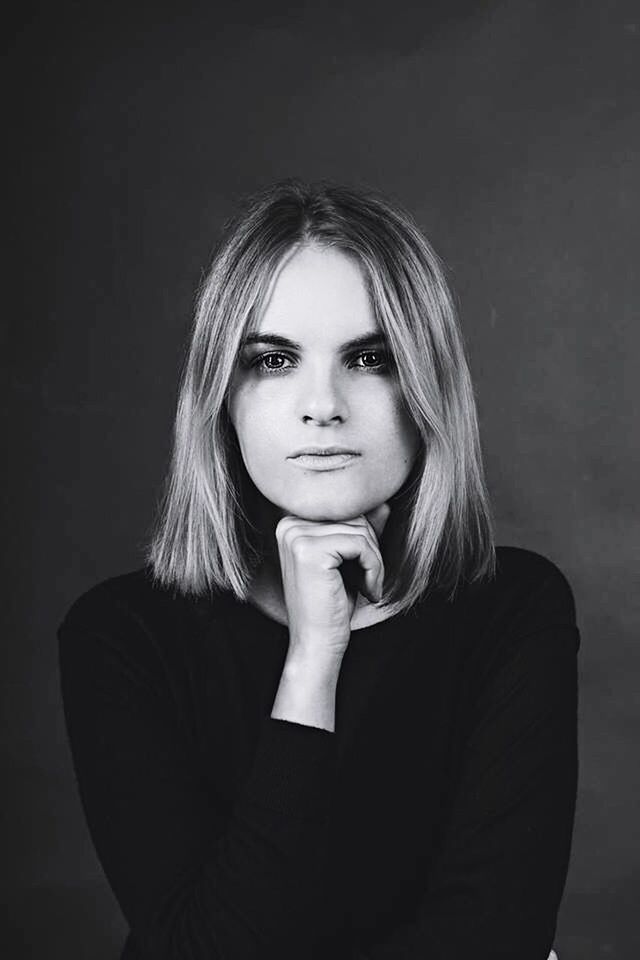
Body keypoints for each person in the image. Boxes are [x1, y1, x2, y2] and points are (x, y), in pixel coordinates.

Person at [58, 179, 579, 960]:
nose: (322, 405)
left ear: (428, 384)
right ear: (219, 400)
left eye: (370, 358)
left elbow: (493, 936)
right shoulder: (123, 636)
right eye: (273, 359)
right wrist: (311, 666)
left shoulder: (512, 608)